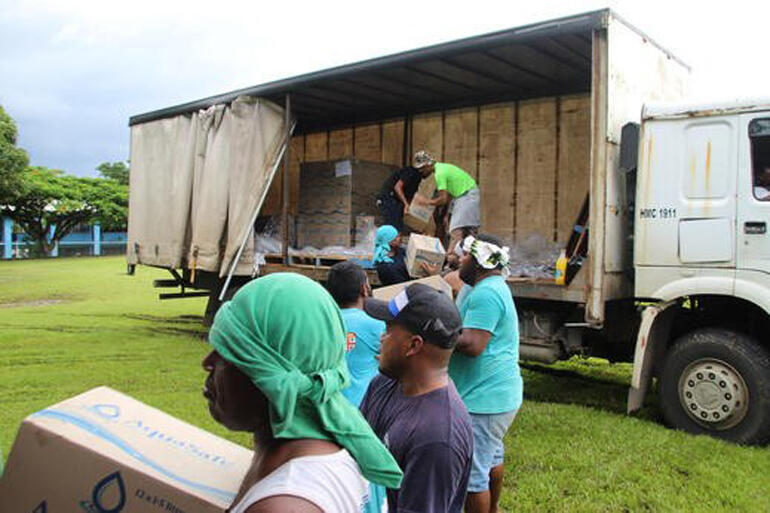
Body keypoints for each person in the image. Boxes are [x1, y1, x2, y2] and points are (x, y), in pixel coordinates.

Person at [202, 273, 403, 513]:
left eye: (229, 353)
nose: (207, 362)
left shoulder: (284, 504)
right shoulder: (343, 440)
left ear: (271, 377)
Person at [361, 283, 473, 513]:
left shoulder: (438, 437)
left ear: (413, 345)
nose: (382, 337)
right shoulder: (385, 383)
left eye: (389, 329)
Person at [449, 234, 522, 513]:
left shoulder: (487, 292)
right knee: (491, 458)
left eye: (465, 255)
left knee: (472, 477)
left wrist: (434, 331)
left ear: (479, 261)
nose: (460, 260)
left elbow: (473, 344)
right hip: (490, 395)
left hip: (486, 398)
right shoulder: (477, 286)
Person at [327, 261, 388, 513]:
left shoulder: (324, 322)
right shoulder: (378, 327)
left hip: (327, 417)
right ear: (365, 288)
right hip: (364, 422)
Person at [412, 150, 481, 263]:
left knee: (456, 230)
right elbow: (449, 195)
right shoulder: (442, 168)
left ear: (429, 164)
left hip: (466, 195)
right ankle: (468, 259)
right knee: (466, 229)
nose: (421, 172)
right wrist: (448, 214)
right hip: (462, 196)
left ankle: (452, 260)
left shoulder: (440, 173)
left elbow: (443, 199)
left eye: (422, 168)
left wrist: (426, 202)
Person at [376, 163, 429, 231]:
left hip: (396, 201)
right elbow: (397, 187)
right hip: (389, 199)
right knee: (394, 227)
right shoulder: (410, 172)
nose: (430, 173)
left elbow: (410, 194)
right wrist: (406, 204)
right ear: (424, 167)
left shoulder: (418, 177)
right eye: (429, 169)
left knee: (397, 226)